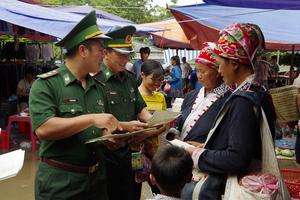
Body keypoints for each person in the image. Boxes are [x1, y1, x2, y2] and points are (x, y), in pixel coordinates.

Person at [29, 11, 121, 200]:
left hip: (97, 179)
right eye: (100, 49)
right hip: (61, 184)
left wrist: (108, 138)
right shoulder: (46, 85)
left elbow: (98, 128)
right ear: (83, 51)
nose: (104, 55)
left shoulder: (97, 86)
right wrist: (91, 119)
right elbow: (44, 129)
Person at [186, 23, 276, 199]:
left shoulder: (242, 99)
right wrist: (209, 146)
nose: (219, 70)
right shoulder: (260, 91)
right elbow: (246, 143)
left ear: (234, 64)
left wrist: (196, 155)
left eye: (219, 64)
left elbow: (237, 159)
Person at [94, 25, 166, 200]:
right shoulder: (94, 80)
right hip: (104, 154)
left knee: (131, 193)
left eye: (127, 55)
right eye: (120, 55)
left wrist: (153, 120)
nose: (125, 59)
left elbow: (140, 108)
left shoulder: (129, 79)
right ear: (106, 53)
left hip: (129, 152)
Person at [173, 42, 231, 145]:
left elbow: (227, 136)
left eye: (203, 72)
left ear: (218, 72)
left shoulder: (228, 100)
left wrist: (204, 147)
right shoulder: (191, 95)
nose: (199, 76)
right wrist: (174, 134)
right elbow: (178, 122)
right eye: (197, 71)